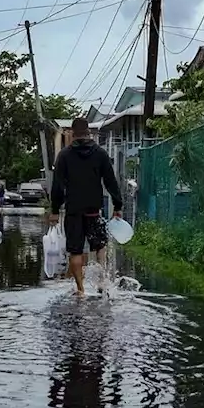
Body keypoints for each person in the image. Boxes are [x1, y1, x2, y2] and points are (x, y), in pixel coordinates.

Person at [49, 118, 123, 295]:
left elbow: (58, 185)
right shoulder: (100, 153)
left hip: (73, 210)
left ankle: (81, 290)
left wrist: (54, 210)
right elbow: (111, 181)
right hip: (93, 210)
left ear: (72, 134)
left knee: (75, 251)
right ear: (88, 132)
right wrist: (117, 205)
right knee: (100, 246)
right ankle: (101, 282)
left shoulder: (65, 155)